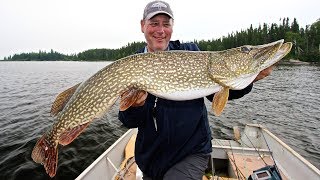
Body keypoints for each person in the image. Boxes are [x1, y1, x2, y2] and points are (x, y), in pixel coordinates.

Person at [118, 1, 273, 179]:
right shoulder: (132, 65)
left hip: (191, 152)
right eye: (154, 23)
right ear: (142, 26)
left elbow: (220, 91)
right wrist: (136, 106)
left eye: (166, 24)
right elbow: (128, 120)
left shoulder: (191, 52)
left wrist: (251, 78)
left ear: (172, 27)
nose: (160, 30)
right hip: (151, 159)